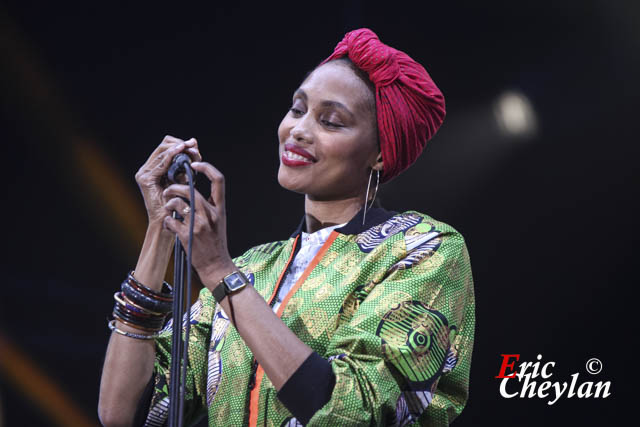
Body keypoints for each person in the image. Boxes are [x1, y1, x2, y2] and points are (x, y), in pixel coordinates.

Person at [98, 28, 475, 426]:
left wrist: (217, 271)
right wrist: (161, 231)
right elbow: (126, 413)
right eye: (297, 109)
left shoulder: (422, 249)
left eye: (330, 121)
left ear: (380, 154)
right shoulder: (253, 269)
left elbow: (351, 414)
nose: (298, 129)